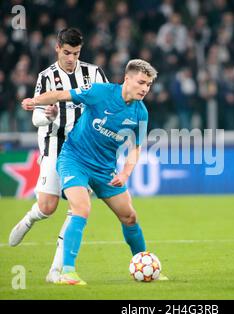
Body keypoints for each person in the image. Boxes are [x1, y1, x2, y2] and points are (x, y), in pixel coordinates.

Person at [21, 59, 165, 285]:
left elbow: (136, 148)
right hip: (74, 159)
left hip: (105, 169)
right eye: (141, 82)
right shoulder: (99, 92)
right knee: (81, 207)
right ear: (127, 79)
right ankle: (67, 271)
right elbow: (61, 95)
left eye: (148, 85)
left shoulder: (141, 113)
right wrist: (34, 101)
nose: (145, 89)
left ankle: (144, 262)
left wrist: (125, 174)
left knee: (129, 216)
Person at [8, 28, 108, 283]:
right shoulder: (47, 77)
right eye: (67, 53)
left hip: (85, 152)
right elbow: (36, 115)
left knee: (78, 208)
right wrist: (48, 115)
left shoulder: (94, 73)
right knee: (47, 207)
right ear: (57, 48)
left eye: (76, 53)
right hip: (55, 145)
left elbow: (107, 103)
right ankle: (32, 217)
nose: (71, 58)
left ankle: (56, 271)